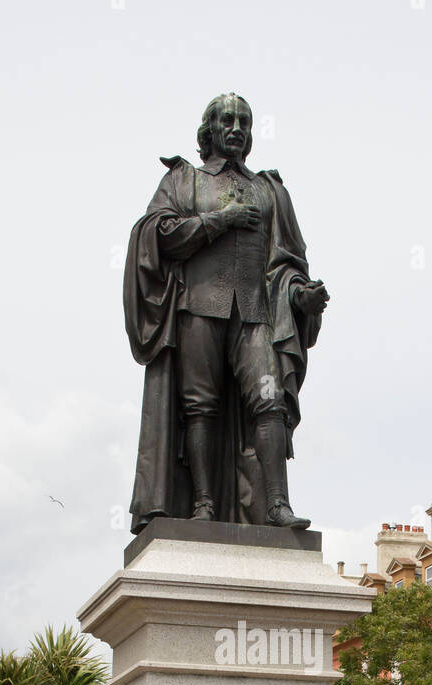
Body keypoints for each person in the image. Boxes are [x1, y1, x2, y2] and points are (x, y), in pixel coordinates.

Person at [124, 93, 329, 534]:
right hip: (198, 308)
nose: (236, 128)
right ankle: (202, 505)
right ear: (210, 131)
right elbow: (155, 236)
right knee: (200, 407)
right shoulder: (184, 181)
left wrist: (301, 297)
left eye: (244, 122)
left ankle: (276, 504)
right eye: (227, 121)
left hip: (255, 316)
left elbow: (287, 263)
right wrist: (220, 220)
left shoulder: (270, 189)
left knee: (270, 399)